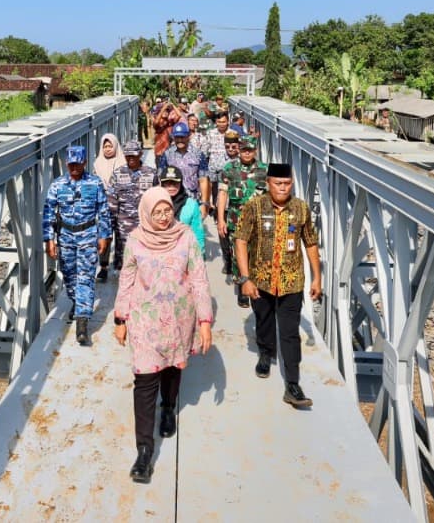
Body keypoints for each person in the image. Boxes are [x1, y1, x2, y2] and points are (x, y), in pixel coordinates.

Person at [113, 187, 214, 483]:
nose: (162, 217)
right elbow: (127, 280)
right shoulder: (135, 240)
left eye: (167, 211)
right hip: (144, 321)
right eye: (156, 212)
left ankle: (168, 407)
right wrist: (120, 318)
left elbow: (198, 278)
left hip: (179, 319)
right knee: (144, 381)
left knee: (172, 368)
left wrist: (205, 321)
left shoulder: (185, 237)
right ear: (146, 212)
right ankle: (144, 451)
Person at [234, 163, 322, 409]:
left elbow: (311, 242)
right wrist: (245, 278)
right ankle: (265, 352)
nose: (283, 188)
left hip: (291, 281)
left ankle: (293, 385)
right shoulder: (254, 207)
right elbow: (241, 240)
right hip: (260, 279)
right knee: (263, 321)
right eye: (278, 184)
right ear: (268, 183)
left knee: (290, 332)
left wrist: (317, 277)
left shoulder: (301, 209)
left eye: (287, 184)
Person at [42, 145, 112, 346]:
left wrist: (104, 236)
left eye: (77, 163)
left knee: (85, 277)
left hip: (88, 235)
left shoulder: (95, 183)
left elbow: (103, 210)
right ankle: (77, 301)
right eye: (71, 164)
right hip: (66, 237)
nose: (74, 167)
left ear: (84, 162)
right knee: (70, 276)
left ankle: (82, 322)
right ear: (66, 163)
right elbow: (48, 213)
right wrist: (49, 240)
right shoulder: (57, 185)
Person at [217, 135, 267, 306]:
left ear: (255, 150)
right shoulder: (229, 169)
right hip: (235, 218)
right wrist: (221, 219)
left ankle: (255, 283)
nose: (247, 153)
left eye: (250, 150)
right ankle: (242, 289)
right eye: (244, 149)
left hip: (258, 220)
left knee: (256, 253)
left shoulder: (264, 169)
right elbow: (222, 193)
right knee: (238, 255)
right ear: (239, 149)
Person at [107, 140, 159, 272]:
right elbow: (111, 204)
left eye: (134, 155)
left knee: (145, 266)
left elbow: (157, 200)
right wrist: (109, 231)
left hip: (145, 229)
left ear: (141, 154)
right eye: (127, 155)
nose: (130, 158)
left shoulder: (151, 173)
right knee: (125, 267)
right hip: (123, 230)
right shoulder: (117, 174)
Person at [157, 122, 209, 217]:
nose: (180, 140)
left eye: (182, 137)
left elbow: (203, 180)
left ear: (188, 136)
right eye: (177, 137)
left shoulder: (199, 155)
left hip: (192, 200)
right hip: (172, 201)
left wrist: (204, 204)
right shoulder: (166, 154)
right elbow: (160, 179)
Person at [94, 133, 126, 281]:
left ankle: (119, 266)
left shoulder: (122, 162)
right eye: (105, 146)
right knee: (104, 235)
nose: (107, 149)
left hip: (121, 205)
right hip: (103, 205)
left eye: (110, 146)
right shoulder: (97, 163)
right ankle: (104, 267)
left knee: (121, 235)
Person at [158, 165, 205, 253]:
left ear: (181, 183)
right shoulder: (154, 203)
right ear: (161, 184)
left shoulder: (191, 204)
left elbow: (198, 234)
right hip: (160, 253)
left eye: (175, 183)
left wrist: (200, 257)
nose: (171, 187)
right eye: (167, 183)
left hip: (184, 253)